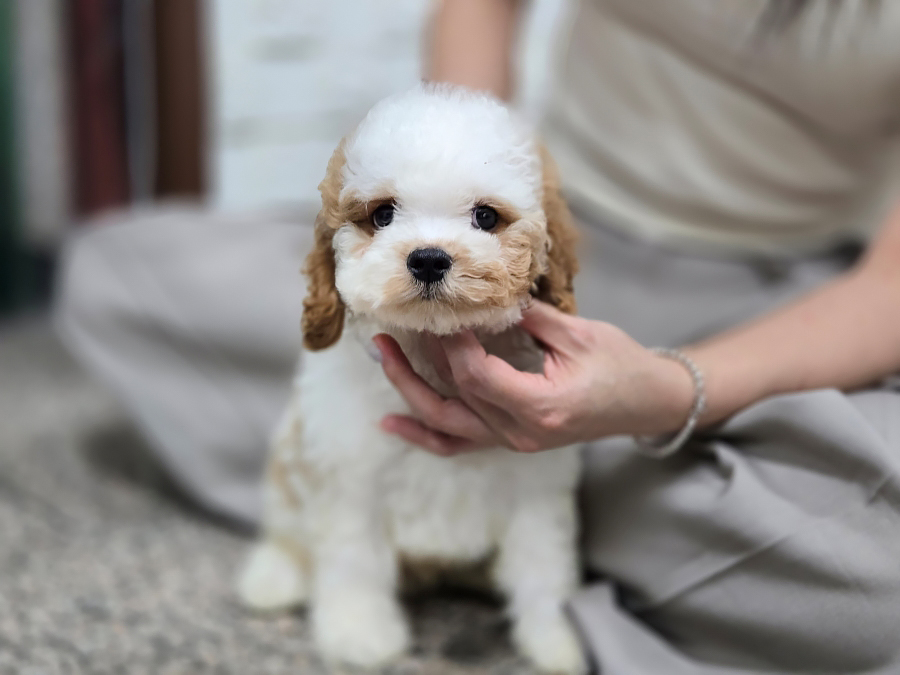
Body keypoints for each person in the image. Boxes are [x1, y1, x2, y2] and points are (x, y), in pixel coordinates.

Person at [57, 1, 900, 672]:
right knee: (117, 273)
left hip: (783, 300)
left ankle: (492, 500)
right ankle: (619, 509)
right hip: (543, 216)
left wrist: (666, 392)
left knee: (875, 583)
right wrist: (465, 175)